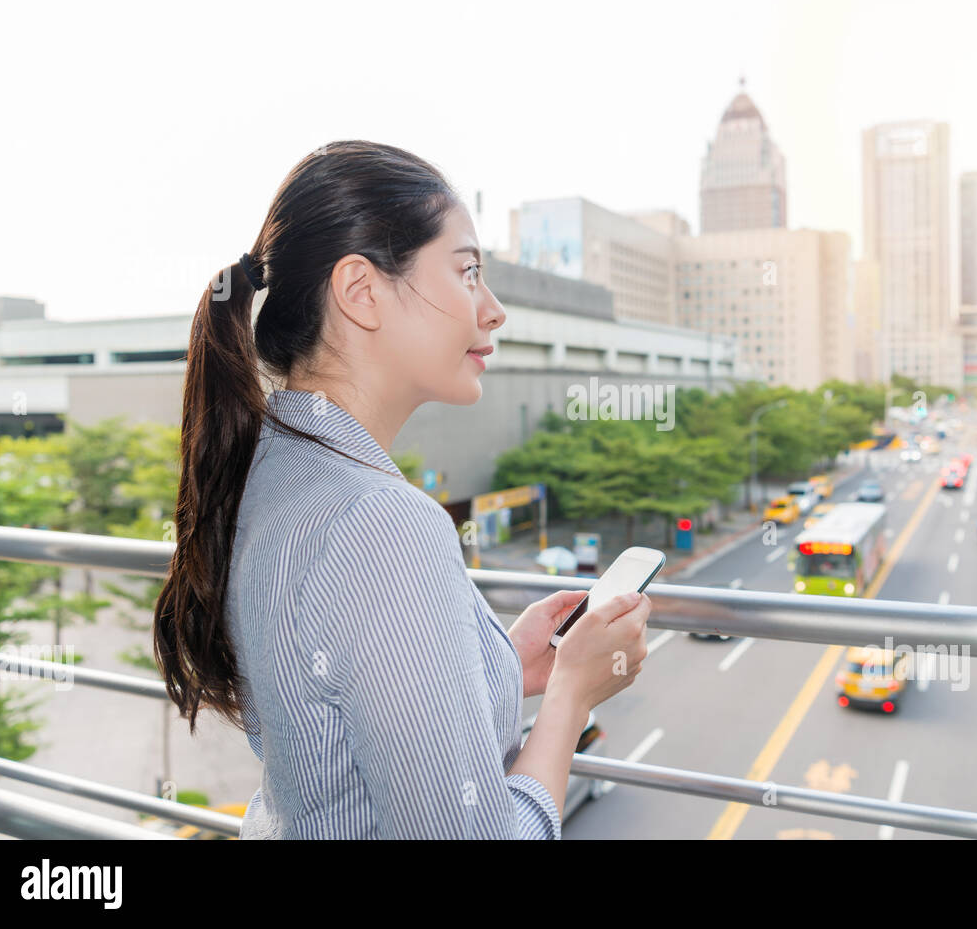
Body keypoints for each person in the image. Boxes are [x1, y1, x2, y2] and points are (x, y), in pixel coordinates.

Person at [152, 141, 652, 839]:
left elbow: (345, 739)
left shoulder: (265, 470)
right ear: (361, 291)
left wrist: (501, 665)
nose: (494, 309)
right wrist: (572, 695)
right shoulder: (380, 522)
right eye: (468, 272)